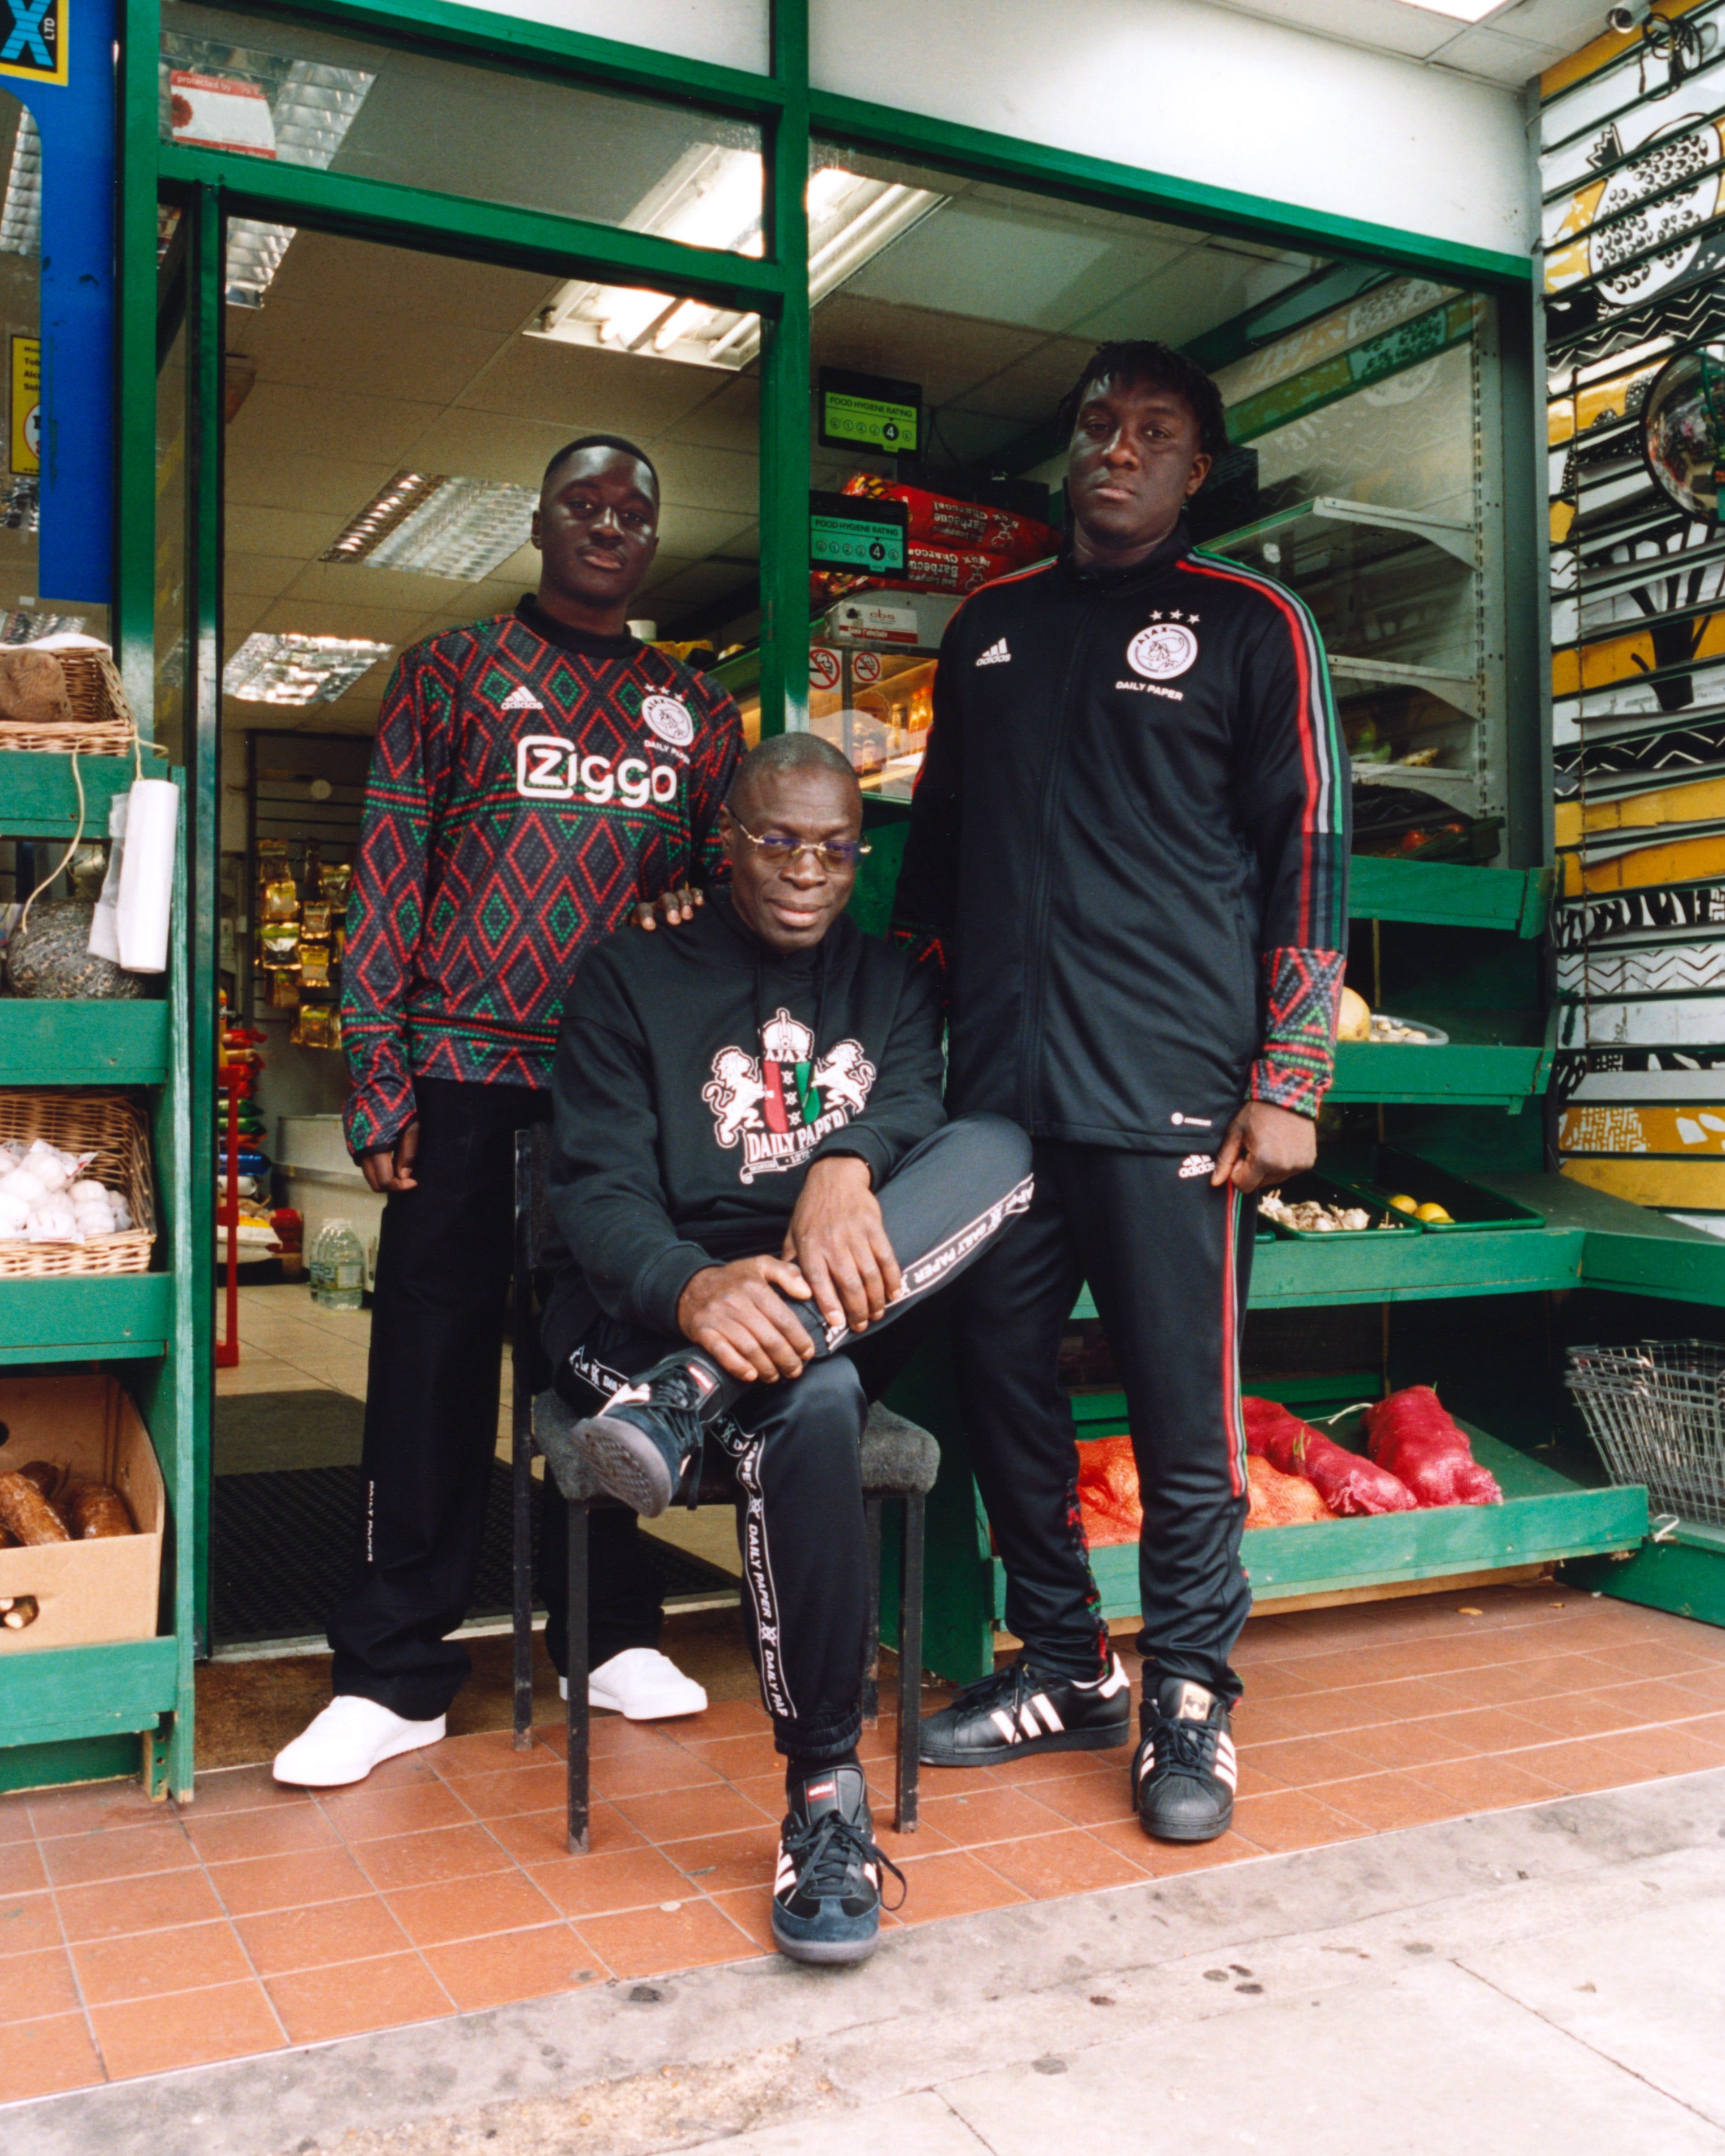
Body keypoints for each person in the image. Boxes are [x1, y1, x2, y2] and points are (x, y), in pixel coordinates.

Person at [894, 339, 1349, 1843]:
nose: (1116, 448)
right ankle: (1065, 1663)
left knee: (1180, 1411)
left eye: (1152, 432)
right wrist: (906, 1066)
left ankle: (1192, 1692)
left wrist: (1288, 1074)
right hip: (1000, 1104)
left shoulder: (1251, 624)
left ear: (1191, 470)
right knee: (999, 1384)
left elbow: (1306, 851)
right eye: (1097, 424)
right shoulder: (990, 625)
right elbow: (931, 865)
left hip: (1173, 1100)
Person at [274, 435, 742, 1789]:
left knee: (601, 1365)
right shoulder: (451, 671)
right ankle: (393, 1674)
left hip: (614, 1090)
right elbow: (387, 877)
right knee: (428, 1374)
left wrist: (689, 903)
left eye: (632, 512)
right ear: (537, 524)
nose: (607, 526)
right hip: (462, 1078)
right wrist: (379, 1074)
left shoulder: (693, 710)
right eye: (581, 505)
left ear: (652, 539)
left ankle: (608, 1632)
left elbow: (729, 895)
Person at [543, 732, 1033, 1964]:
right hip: (639, 1319)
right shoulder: (626, 975)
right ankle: (825, 1789)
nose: (807, 871)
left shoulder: (890, 979)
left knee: (1000, 1150)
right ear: (727, 841)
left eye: (834, 849)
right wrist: (693, 1291)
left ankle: (696, 1395)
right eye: (777, 841)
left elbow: (915, 1103)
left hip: (814, 1302)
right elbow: (595, 1193)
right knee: (816, 1400)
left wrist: (844, 1162)